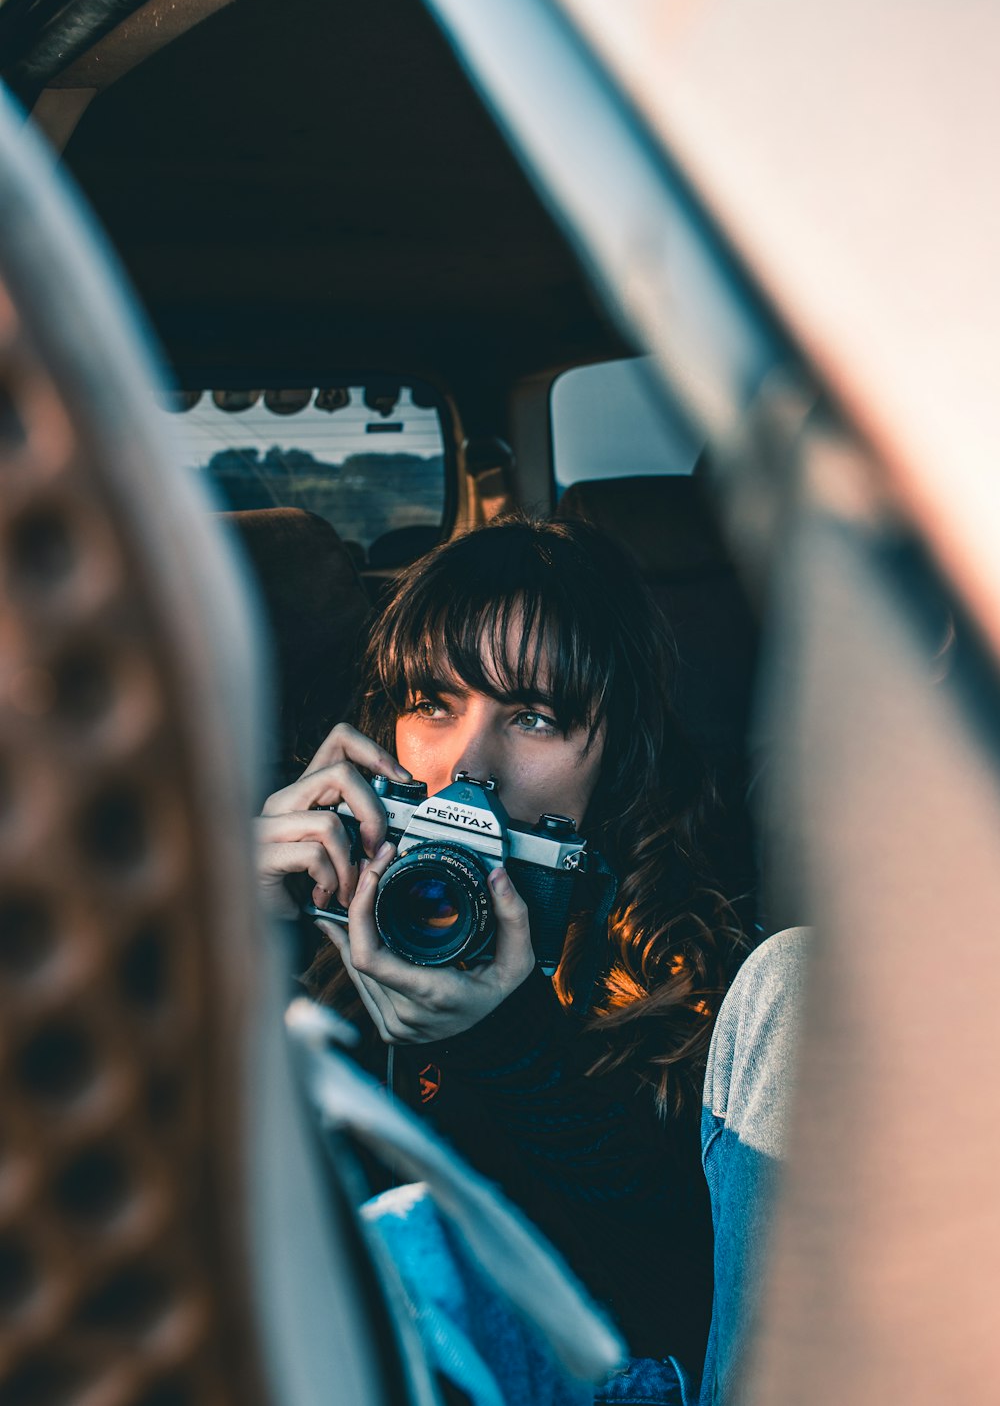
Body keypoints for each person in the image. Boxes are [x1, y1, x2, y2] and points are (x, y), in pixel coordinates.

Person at [256, 516, 802, 1404]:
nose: (470, 767)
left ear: (614, 763)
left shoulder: (696, 979)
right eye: (433, 704)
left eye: (534, 717)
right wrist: (204, 932)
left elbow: (681, 1303)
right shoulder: (307, 913)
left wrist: (502, 1042)